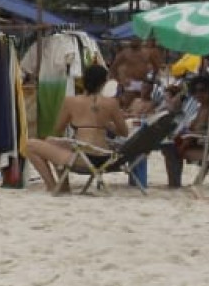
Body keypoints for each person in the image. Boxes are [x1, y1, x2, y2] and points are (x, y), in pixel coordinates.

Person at [22, 63, 129, 194]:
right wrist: (107, 125)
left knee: (30, 145)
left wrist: (76, 121)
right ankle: (63, 187)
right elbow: (124, 132)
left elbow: (58, 129)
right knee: (51, 141)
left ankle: (52, 186)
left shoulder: (71, 101)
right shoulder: (111, 103)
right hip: (102, 157)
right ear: (103, 83)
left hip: (81, 159)